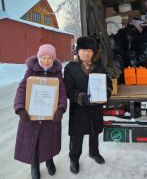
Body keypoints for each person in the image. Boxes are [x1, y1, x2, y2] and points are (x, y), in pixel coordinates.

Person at [14, 44, 67, 179]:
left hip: (50, 117)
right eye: (44, 57)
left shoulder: (57, 73)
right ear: (39, 57)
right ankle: (35, 165)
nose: (46, 60)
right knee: (34, 142)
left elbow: (62, 92)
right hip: (32, 116)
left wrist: (60, 109)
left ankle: (49, 160)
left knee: (49, 141)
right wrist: (20, 109)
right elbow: (21, 89)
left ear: (53, 60)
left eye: (50, 58)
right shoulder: (31, 71)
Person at [64, 36, 112, 174]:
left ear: (94, 53)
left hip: (95, 108)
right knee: (76, 136)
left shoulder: (99, 66)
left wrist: (106, 93)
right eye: (83, 50)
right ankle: (74, 158)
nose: (86, 53)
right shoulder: (70, 68)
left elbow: (107, 83)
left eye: (90, 51)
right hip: (78, 109)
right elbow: (69, 89)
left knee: (94, 132)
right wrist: (82, 98)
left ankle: (94, 152)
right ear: (78, 51)